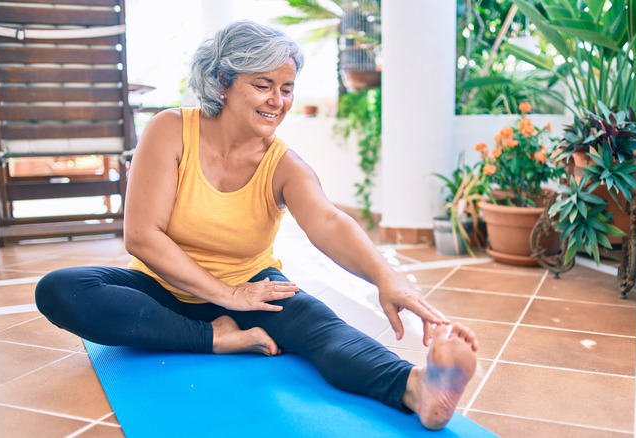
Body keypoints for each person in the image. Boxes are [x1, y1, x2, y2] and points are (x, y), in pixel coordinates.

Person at [35, 20, 478, 430]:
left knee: (324, 329)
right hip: (163, 288)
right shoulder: (171, 130)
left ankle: (417, 387)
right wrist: (225, 299)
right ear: (223, 83)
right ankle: (215, 337)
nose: (278, 101)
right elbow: (141, 236)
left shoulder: (283, 164)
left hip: (253, 289)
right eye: (263, 85)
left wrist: (388, 279)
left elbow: (327, 220)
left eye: (287, 88)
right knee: (60, 289)